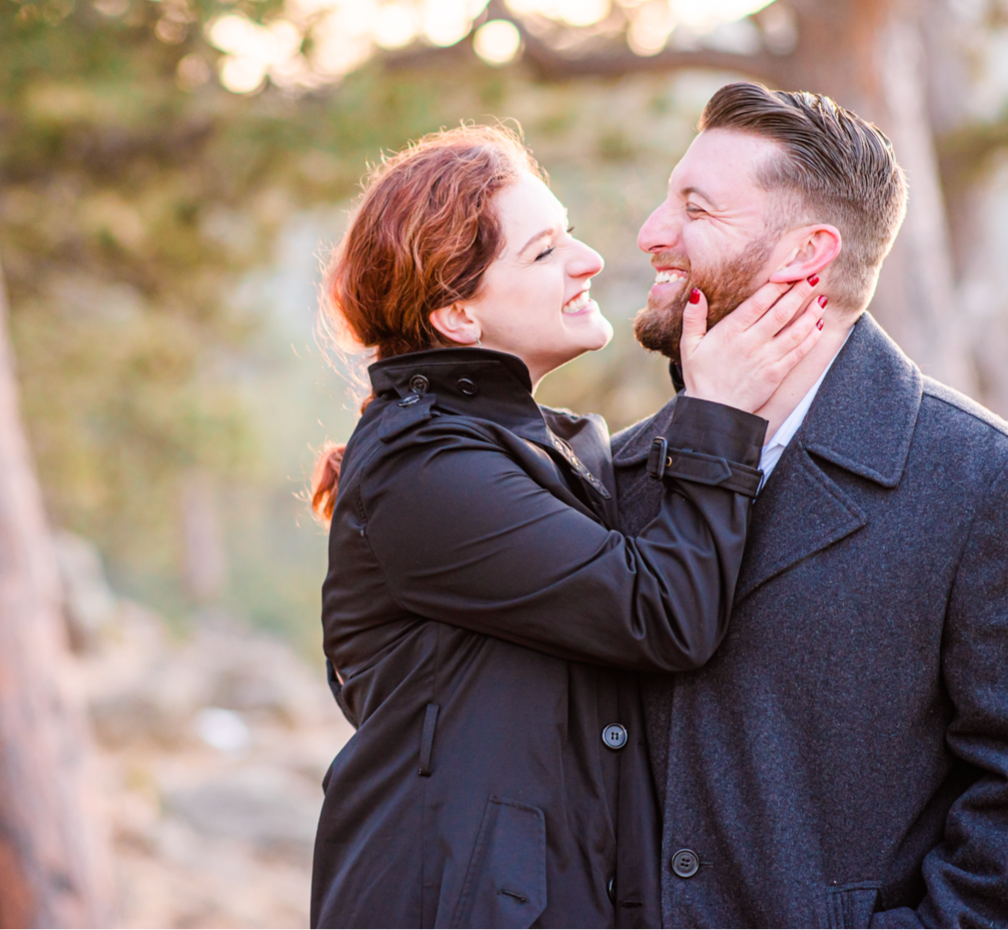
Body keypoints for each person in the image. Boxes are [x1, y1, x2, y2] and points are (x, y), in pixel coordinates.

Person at [611, 82, 1008, 928]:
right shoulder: (626, 471)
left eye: (695, 208)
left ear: (805, 253)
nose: (651, 232)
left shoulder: (988, 486)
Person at [308, 123, 827, 929]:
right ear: (455, 317)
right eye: (545, 253)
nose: (587, 261)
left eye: (570, 235)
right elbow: (663, 615)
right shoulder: (426, 474)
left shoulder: (521, 449)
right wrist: (717, 414)